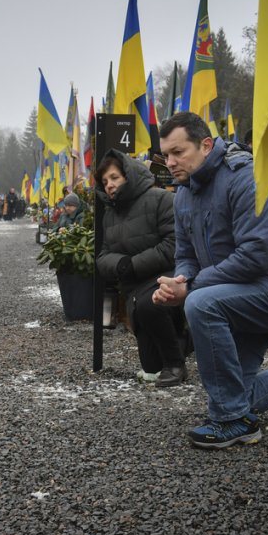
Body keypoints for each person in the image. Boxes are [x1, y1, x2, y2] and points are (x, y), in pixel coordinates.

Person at [152, 112, 268, 449]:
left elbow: (255, 255)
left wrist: (192, 288)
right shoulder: (183, 193)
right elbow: (185, 254)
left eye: (178, 152)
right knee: (236, 393)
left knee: (200, 304)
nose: (170, 162)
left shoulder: (246, 176)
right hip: (229, 297)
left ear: (206, 145)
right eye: (166, 154)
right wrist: (178, 279)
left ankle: (232, 422)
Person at [95, 149, 187, 387]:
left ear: (129, 174)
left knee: (150, 304)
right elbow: (102, 256)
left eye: (115, 178)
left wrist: (133, 264)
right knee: (151, 366)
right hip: (134, 286)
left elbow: (173, 244)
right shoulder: (110, 214)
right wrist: (122, 264)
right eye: (105, 181)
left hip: (166, 277)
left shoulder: (161, 199)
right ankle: (186, 342)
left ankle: (176, 364)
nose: (109, 185)